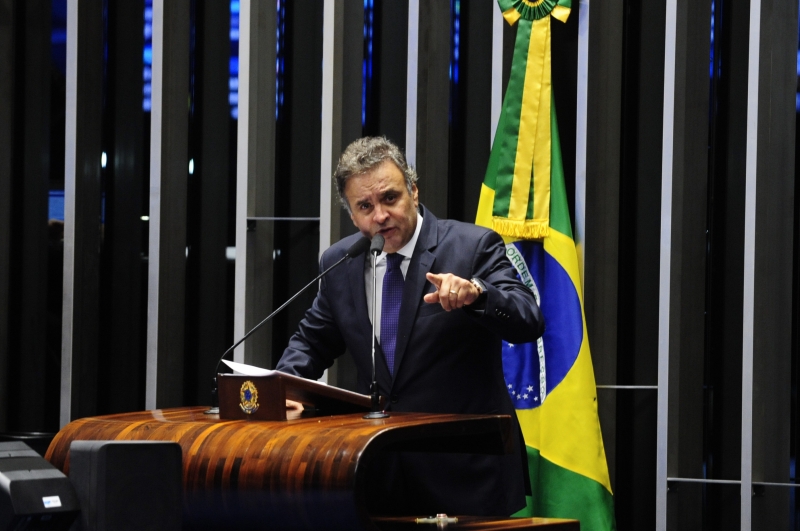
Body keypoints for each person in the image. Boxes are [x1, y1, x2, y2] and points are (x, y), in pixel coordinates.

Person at [275, 136, 544, 516]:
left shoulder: (471, 246)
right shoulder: (341, 262)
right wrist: (283, 389)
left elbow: (527, 319)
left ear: (414, 192)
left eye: (390, 198)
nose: (380, 216)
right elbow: (311, 342)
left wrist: (479, 295)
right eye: (365, 206)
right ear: (352, 215)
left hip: (465, 475)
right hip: (378, 473)